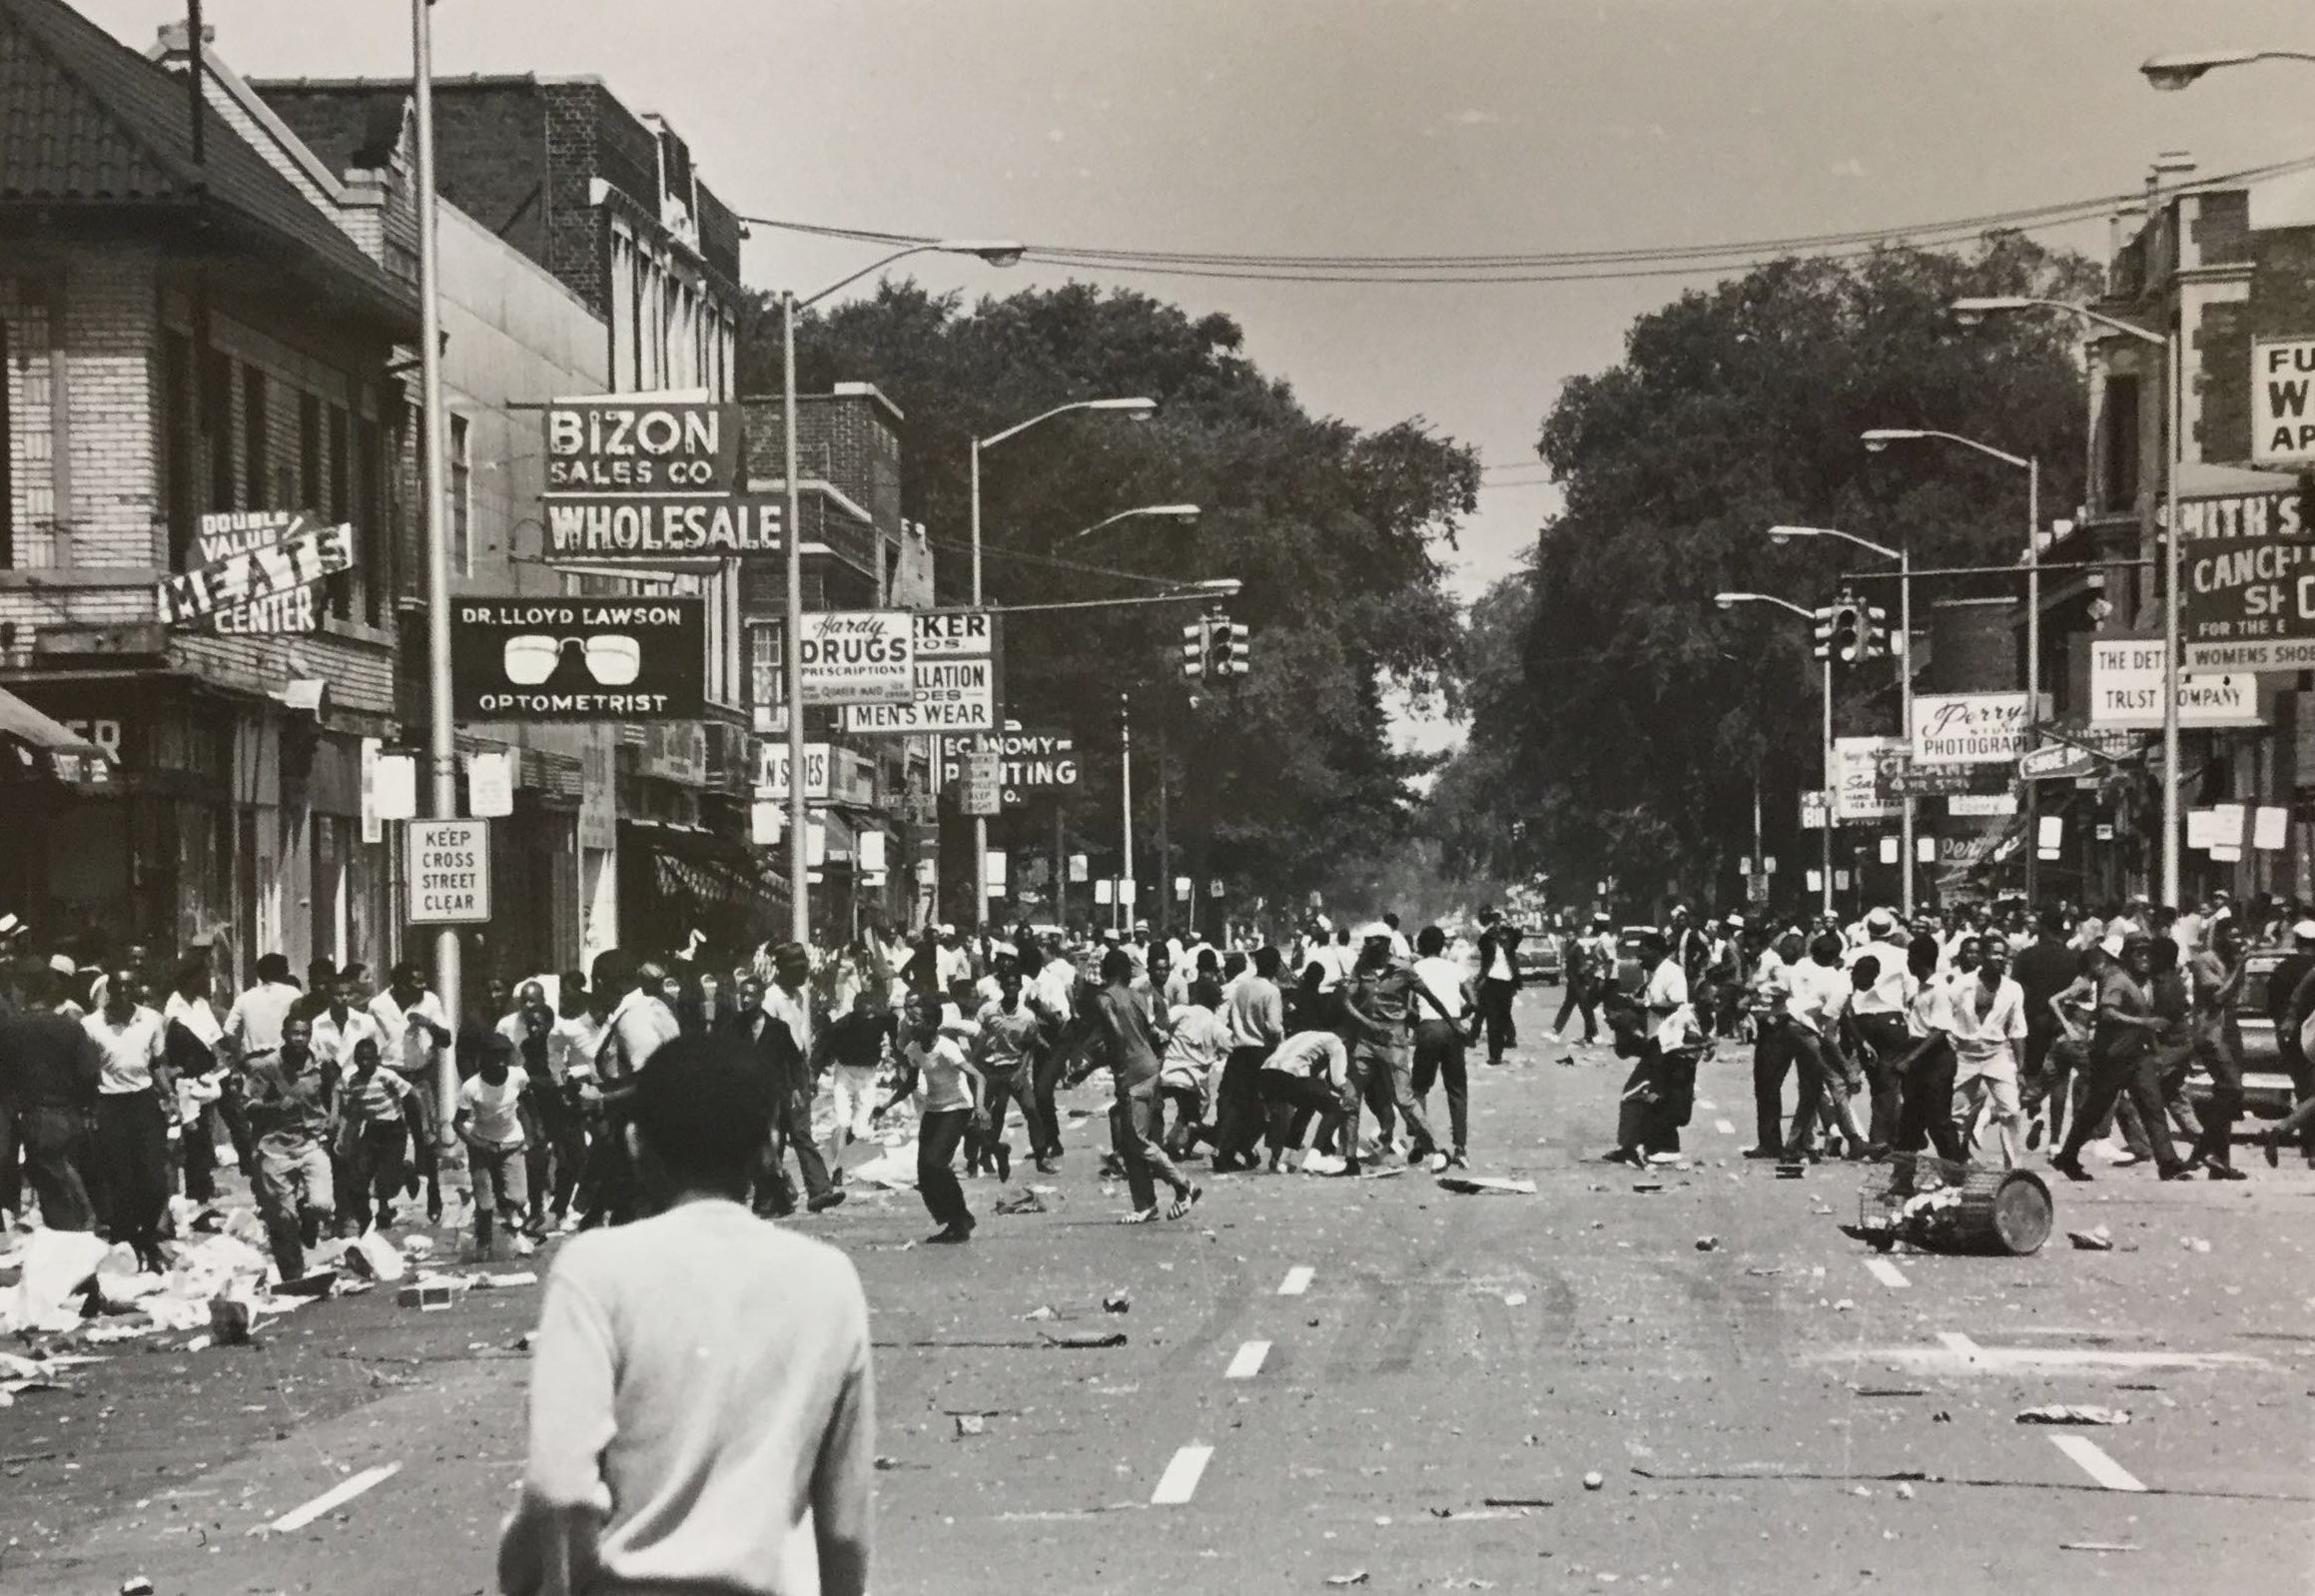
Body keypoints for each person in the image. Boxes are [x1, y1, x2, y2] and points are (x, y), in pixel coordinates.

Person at [497, 1033, 874, 1596]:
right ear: (770, 1150)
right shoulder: (827, 1279)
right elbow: (845, 1528)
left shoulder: (596, 1269)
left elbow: (559, 1487)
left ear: (635, 1144)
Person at [1067, 948, 1200, 1222]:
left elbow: (1115, 1034)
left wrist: (1098, 1062)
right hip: (1150, 1068)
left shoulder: (1105, 998)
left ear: (1105, 971)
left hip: (1132, 1074)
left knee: (1138, 1141)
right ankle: (1145, 1205)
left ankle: (1183, 1186)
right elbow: (1150, 1033)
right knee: (1131, 1143)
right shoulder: (1139, 997)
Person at [2050, 936, 2191, 1184]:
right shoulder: (2117, 980)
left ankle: (2168, 1162)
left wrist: (2155, 1049)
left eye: (2148, 954)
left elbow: (2146, 1021)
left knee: (2152, 1106)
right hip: (2112, 1058)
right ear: (2127, 956)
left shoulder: (2140, 983)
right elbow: (2107, 1013)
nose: (2145, 958)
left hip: (2137, 1056)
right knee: (2094, 1111)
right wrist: (2144, 1023)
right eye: (2139, 954)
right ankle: (2068, 1155)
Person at [876, 994, 987, 1242]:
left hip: (958, 1107)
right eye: (909, 1020)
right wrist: (885, 1106)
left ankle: (962, 1216)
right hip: (934, 1109)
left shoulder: (947, 1048)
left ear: (932, 1022)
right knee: (924, 1172)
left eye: (916, 1020)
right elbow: (910, 1084)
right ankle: (952, 1222)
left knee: (936, 1163)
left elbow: (978, 1077)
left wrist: (980, 1108)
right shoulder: (913, 1049)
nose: (910, 1025)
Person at [83, 967, 173, 1271]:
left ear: (136, 990)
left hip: (144, 1101)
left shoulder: (151, 1019)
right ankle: (126, 1241)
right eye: (117, 988)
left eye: (128, 988)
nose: (122, 994)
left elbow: (157, 1062)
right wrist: (88, 1110)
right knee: (120, 1177)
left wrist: (169, 1096)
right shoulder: (91, 1025)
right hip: (109, 1103)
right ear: (109, 989)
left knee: (153, 1177)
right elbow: (88, 1071)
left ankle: (146, 1231)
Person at [1339, 923, 1449, 1172]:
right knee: (1350, 1099)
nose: (1368, 947)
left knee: (1404, 1099)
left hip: (1393, 1042)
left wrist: (1452, 1023)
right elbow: (1347, 1001)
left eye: (1373, 942)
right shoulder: (1361, 968)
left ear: (1386, 944)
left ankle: (1437, 1149)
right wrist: (1367, 1022)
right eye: (1366, 942)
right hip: (1365, 1042)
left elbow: (1429, 996)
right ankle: (1350, 1159)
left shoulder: (1403, 970)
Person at [0, 968, 101, 1230]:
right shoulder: (71, 1027)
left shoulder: (11, 1029)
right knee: (66, 1170)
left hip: (34, 1113)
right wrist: (85, 1107)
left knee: (52, 1184)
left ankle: (75, 1234)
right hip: (69, 1111)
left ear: (24, 993)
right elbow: (90, 1072)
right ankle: (86, 1224)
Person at [243, 1017, 336, 1281]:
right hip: (275, 1147)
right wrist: (274, 1107)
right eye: (294, 1033)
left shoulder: (320, 1063)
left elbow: (333, 1090)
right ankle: (293, 1275)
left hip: (309, 1142)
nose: (299, 1039)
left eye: (304, 1033)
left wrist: (332, 1119)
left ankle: (308, 1217)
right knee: (282, 1219)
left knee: (322, 1204)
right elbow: (248, 1106)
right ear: (284, 1034)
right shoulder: (268, 1067)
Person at [1945, 936, 2027, 1169]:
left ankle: (2013, 1168)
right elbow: (1946, 1020)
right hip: (1964, 1052)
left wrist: (2021, 1068)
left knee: (2011, 1110)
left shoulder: (2013, 989)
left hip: (1996, 1053)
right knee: (1956, 1114)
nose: (2000, 958)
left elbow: (2018, 1029)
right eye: (1994, 953)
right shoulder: (1962, 984)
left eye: (2004, 954)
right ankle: (1954, 1163)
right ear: (1982, 956)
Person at [456, 1034, 535, 1261]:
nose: (500, 1062)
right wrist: (479, 1144)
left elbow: (526, 1103)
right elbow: (458, 1123)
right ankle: (484, 1241)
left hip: (511, 1141)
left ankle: (512, 1234)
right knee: (485, 1203)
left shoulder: (518, 1077)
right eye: (494, 1056)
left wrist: (532, 1134)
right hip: (482, 1143)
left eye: (504, 1056)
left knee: (518, 1199)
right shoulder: (472, 1087)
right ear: (484, 1058)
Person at [1887, 935, 1963, 1165]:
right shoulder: (1920, 989)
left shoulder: (1938, 989)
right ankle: (1902, 1178)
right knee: (1910, 1123)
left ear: (1919, 959)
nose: (1908, 962)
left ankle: (1957, 1175)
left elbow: (1939, 1031)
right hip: (1920, 1058)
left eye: (1910, 957)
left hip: (1936, 1061)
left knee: (1939, 1122)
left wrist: (1910, 1060)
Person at [2183, 920, 2250, 1179]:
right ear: (2220, 937)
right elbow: (2219, 996)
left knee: (2227, 1095)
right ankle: (2202, 1153)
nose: (2236, 940)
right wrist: (2241, 966)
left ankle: (2219, 1161)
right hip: (2211, 1032)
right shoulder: (2204, 961)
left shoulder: (2231, 962)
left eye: (2239, 935)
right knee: (2232, 1089)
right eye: (2232, 935)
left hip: (2230, 1029)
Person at [967, 966, 1046, 1182]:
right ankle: (981, 1157)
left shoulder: (1027, 1017)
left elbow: (1030, 1044)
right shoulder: (988, 1011)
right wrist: (973, 1065)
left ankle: (1040, 1155)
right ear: (1002, 987)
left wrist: (1022, 1071)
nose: (1011, 988)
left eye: (1015, 984)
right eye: (1007, 984)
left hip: (1013, 1069)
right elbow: (976, 1037)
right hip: (990, 1070)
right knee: (986, 1116)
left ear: (1020, 987)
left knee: (1031, 1109)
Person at [1210, 947, 1287, 1171]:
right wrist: (1282, 1035)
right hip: (1261, 1052)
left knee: (1234, 1104)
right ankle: (1248, 1146)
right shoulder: (1271, 991)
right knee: (1266, 1107)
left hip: (1239, 1051)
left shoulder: (1242, 987)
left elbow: (1232, 1018)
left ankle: (1223, 1150)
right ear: (1275, 965)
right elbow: (1273, 1027)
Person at [813, 989, 898, 1183]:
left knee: (861, 1127)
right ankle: (837, 1168)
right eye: (864, 1014)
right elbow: (823, 1050)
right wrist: (814, 1076)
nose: (868, 1017)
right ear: (855, 1012)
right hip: (845, 1073)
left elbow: (895, 1031)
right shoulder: (842, 1026)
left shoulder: (881, 1020)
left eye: (871, 1013)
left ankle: (844, 1160)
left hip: (868, 1074)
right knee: (843, 1121)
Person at [1410, 925, 1475, 1169]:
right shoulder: (1455, 968)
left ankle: (1421, 1139)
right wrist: (1457, 1017)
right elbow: (1474, 999)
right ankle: (1460, 1148)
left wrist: (1414, 1023)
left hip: (1427, 1029)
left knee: (1419, 1089)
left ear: (1420, 946)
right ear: (1442, 946)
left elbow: (1409, 1007)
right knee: (1457, 1089)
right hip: (1452, 1031)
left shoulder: (1414, 969)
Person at [337, 1035, 416, 1233]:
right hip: (372, 1129)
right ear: (355, 1060)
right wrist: (344, 1136)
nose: (365, 1063)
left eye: (369, 1059)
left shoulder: (386, 1076)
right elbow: (353, 1111)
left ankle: (401, 1178)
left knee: (385, 1174)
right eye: (361, 1059)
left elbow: (410, 1096)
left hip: (393, 1129)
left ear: (376, 1059)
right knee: (361, 1172)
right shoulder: (353, 1082)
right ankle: (366, 1218)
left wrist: (418, 1126)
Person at [1154, 976, 1231, 1163]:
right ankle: (1186, 1141)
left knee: (1156, 1107)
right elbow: (1232, 1046)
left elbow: (1161, 1025)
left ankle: (1169, 1144)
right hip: (1192, 1083)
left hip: (1168, 1073)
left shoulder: (1182, 1011)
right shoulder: (1215, 1025)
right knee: (1194, 1113)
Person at [1258, 1027, 1352, 1173]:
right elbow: (1338, 1079)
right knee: (1334, 1108)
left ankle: (1283, 1160)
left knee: (1308, 1105)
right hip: (1290, 1074)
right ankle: (1315, 1157)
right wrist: (1350, 1092)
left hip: (1265, 1074)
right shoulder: (1336, 1042)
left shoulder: (1306, 1034)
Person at [1473, 909, 1522, 1064]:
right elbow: (1482, 941)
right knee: (1492, 1019)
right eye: (1497, 922)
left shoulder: (1510, 942)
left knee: (1503, 1017)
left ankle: (1505, 1043)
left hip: (1507, 983)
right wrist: (1492, 930)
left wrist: (1510, 927)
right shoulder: (1487, 940)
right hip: (1491, 982)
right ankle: (1495, 1055)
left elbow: (1518, 936)